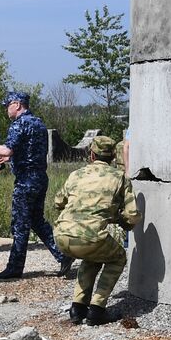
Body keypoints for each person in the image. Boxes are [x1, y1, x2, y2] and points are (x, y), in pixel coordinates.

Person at [0, 91, 70, 279]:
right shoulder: (38, 122)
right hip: (39, 177)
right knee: (37, 221)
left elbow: (8, 148)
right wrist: (5, 158)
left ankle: (15, 267)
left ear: (17, 104)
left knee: (20, 225)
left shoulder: (19, 123)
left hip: (26, 181)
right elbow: (26, 151)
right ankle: (63, 255)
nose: (6, 109)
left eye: (8, 105)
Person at [53, 135, 140, 325]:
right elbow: (133, 216)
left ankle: (78, 308)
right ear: (112, 157)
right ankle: (97, 309)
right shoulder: (119, 177)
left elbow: (58, 202)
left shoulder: (76, 174)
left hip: (61, 235)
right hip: (90, 237)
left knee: (92, 257)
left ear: (91, 155)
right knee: (117, 258)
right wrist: (119, 220)